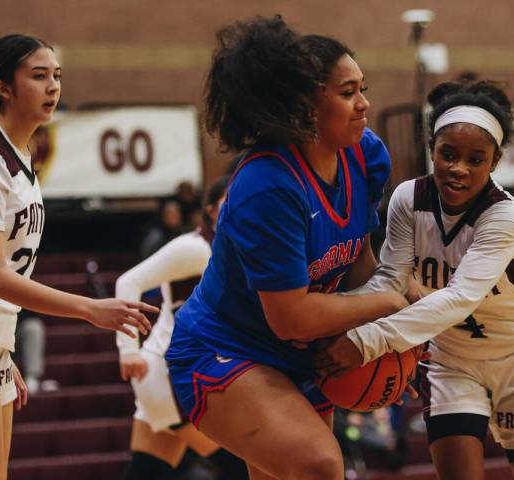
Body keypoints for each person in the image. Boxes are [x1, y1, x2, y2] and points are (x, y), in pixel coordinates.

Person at [0, 34, 157, 480]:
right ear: (4, 86)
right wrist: (90, 309)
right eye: (39, 76)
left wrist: (3, 346)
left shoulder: (19, 154)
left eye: (56, 76)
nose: (53, 87)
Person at [165, 17, 409, 480]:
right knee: (319, 464)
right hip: (224, 350)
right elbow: (290, 316)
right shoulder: (267, 185)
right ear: (304, 106)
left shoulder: (366, 154)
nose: (364, 104)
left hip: (301, 356)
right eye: (347, 92)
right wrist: (392, 304)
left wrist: (388, 341)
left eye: (363, 88)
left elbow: (358, 262)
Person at [317, 81, 514, 480]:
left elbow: (459, 299)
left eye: (475, 159)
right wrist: (336, 323)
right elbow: (389, 282)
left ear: (495, 161)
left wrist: (366, 342)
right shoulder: (407, 198)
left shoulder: (503, 216)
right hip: (451, 360)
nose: (458, 168)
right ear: (430, 146)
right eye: (447, 154)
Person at [117, 176, 247, 480]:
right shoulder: (197, 248)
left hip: (174, 373)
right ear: (212, 210)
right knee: (247, 466)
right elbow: (128, 282)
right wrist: (127, 350)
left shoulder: (236, 251)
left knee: (148, 471)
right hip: (167, 373)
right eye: (229, 200)